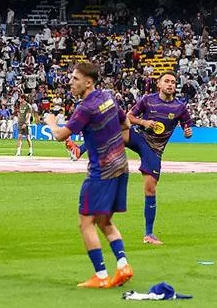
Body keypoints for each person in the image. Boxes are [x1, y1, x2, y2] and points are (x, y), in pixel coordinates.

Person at [44, 61, 135, 289]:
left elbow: (60, 136)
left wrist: (52, 122)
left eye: (75, 79)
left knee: (85, 222)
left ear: (88, 81)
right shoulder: (109, 97)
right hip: (121, 167)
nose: (71, 82)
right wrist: (113, 144)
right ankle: (123, 265)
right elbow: (125, 123)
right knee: (105, 220)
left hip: (100, 171)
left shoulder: (85, 108)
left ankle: (101, 275)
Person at [126, 73, 194, 245]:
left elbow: (187, 125)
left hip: (154, 150)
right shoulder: (148, 99)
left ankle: (148, 234)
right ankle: (79, 149)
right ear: (159, 84)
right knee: (115, 128)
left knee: (150, 189)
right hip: (139, 138)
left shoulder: (180, 107)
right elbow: (129, 117)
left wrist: (187, 132)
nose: (170, 84)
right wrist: (143, 123)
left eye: (173, 82)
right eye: (167, 81)